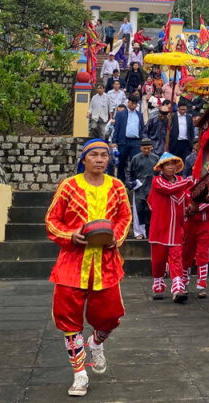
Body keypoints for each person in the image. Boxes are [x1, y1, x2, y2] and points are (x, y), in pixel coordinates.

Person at [46, 139, 132, 397]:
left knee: (110, 317)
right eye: (94, 154)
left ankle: (95, 343)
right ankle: (79, 374)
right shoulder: (68, 186)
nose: (99, 159)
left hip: (106, 265)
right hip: (72, 264)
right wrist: (70, 235)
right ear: (83, 159)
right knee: (69, 321)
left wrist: (116, 237)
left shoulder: (117, 187)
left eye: (104, 155)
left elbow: (124, 217)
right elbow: (52, 220)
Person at [147, 153, 193, 303]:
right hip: (160, 228)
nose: (171, 167)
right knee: (159, 260)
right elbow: (169, 189)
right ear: (161, 168)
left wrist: (189, 206)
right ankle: (158, 285)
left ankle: (178, 287)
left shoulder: (180, 181)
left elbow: (186, 198)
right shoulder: (157, 181)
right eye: (168, 164)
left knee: (176, 258)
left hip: (176, 229)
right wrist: (189, 181)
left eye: (173, 164)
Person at [182, 200, 209, 299]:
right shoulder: (185, 184)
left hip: (204, 223)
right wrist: (186, 209)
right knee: (186, 253)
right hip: (189, 223)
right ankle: (184, 281)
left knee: (203, 253)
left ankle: (202, 283)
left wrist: (196, 208)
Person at [129, 139, 158, 240]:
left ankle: (151, 232)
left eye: (148, 148)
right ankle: (139, 233)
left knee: (152, 210)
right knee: (138, 210)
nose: (146, 150)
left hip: (152, 187)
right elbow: (129, 172)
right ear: (140, 148)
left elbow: (159, 172)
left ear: (152, 147)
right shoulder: (135, 159)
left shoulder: (156, 158)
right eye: (144, 148)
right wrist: (130, 184)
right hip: (139, 187)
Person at [111, 95, 143, 184]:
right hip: (123, 141)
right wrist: (114, 141)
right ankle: (120, 181)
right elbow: (116, 128)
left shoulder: (139, 115)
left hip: (136, 141)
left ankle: (133, 181)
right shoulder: (121, 114)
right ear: (128, 102)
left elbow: (142, 128)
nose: (133, 105)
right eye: (132, 103)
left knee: (135, 162)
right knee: (121, 162)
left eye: (135, 103)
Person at [168, 99, 194, 164]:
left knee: (185, 161)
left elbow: (191, 131)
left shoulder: (189, 117)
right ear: (177, 108)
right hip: (175, 142)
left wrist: (192, 143)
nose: (183, 111)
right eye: (181, 109)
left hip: (186, 143)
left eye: (184, 110)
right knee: (174, 161)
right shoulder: (173, 117)